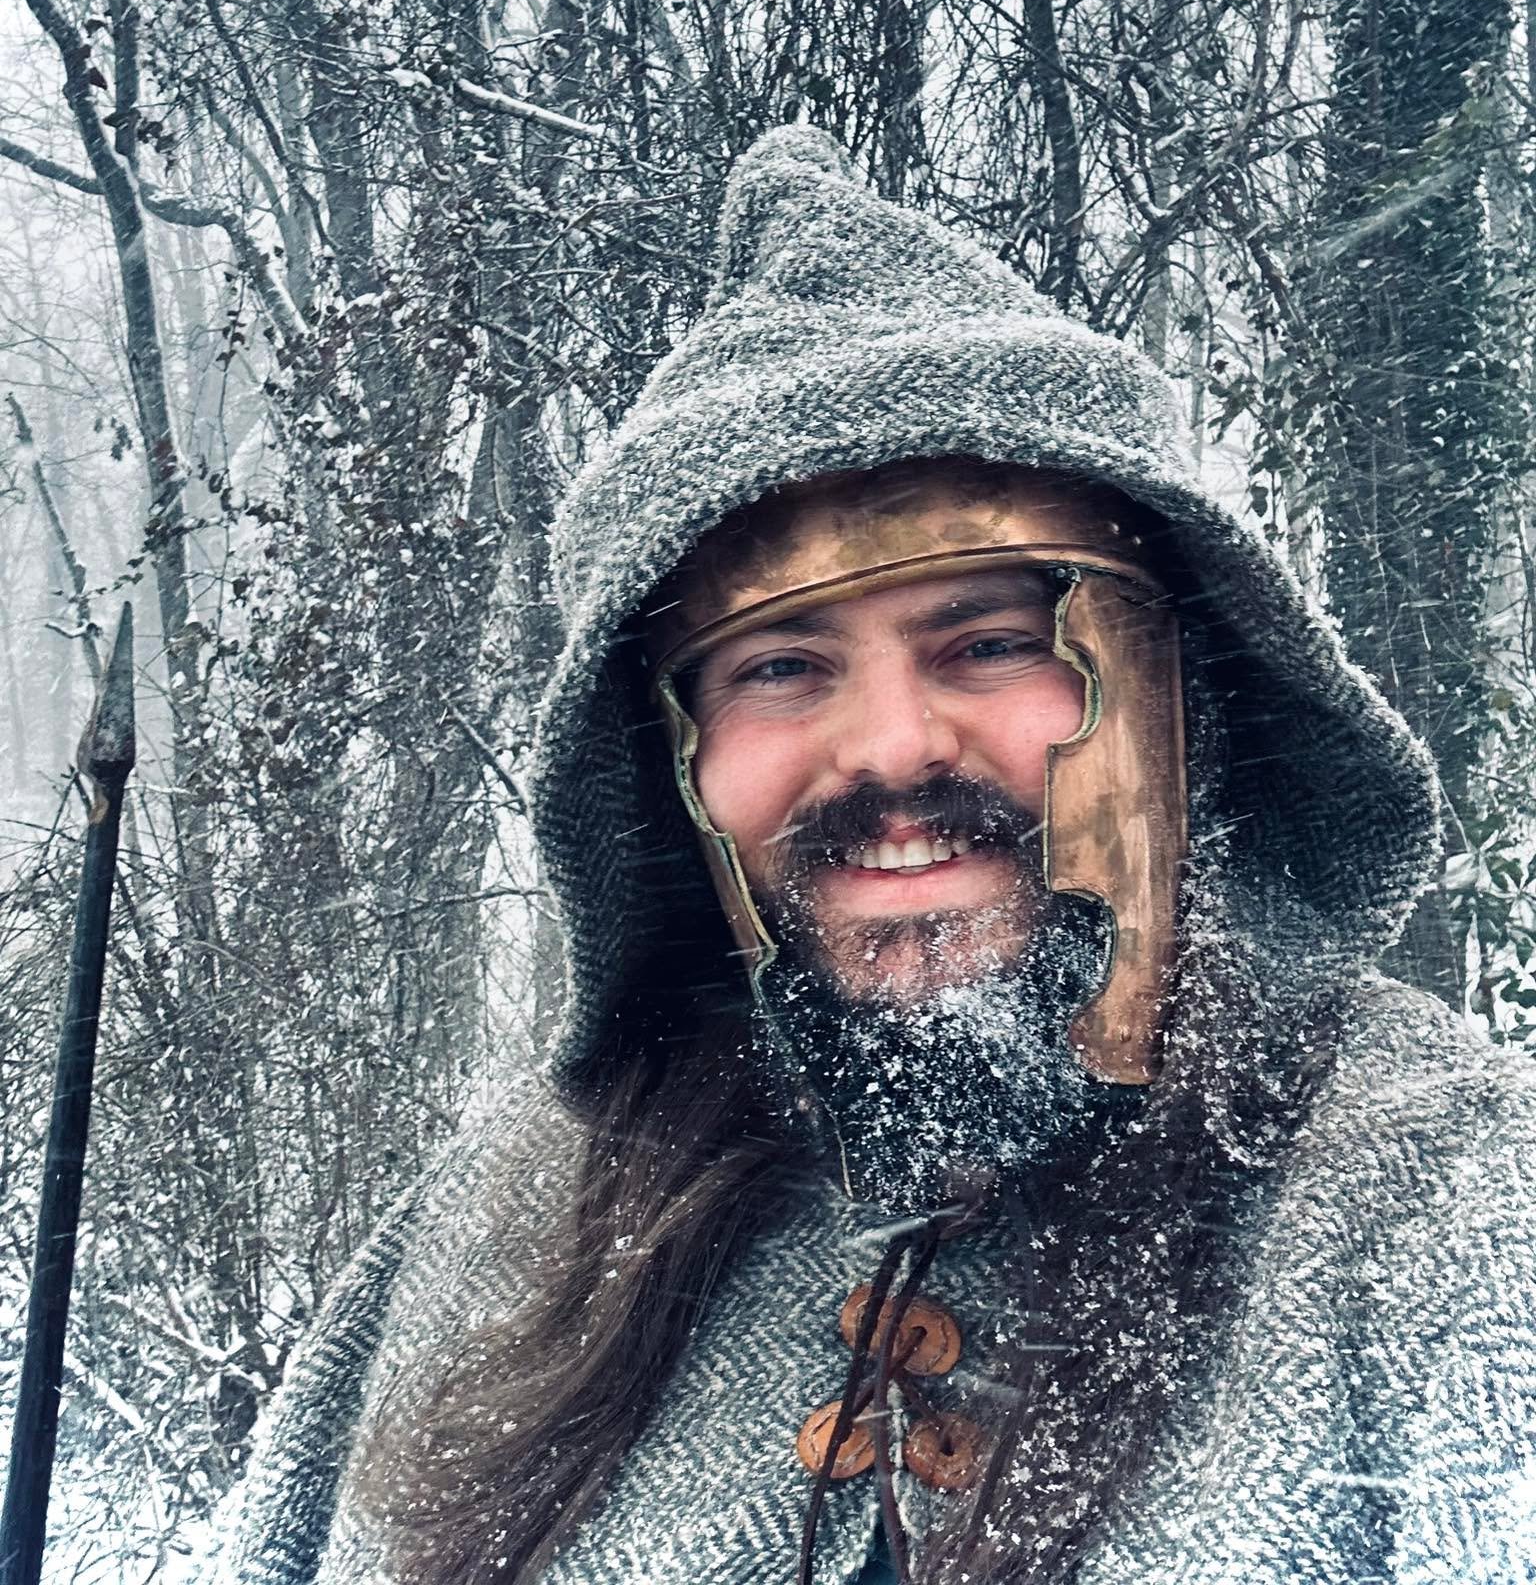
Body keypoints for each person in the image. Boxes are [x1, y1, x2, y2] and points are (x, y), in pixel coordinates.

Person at [211, 128, 1536, 1585]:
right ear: (673, 769)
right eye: (780, 667)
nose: (895, 748)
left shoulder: (1446, 1204)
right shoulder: (504, 1230)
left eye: (988, 641)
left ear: (1177, 690)